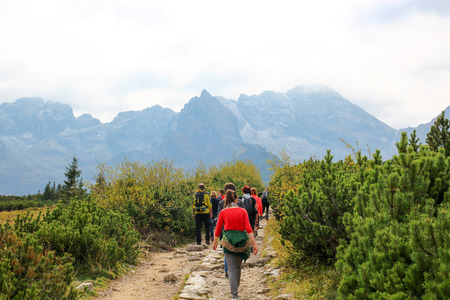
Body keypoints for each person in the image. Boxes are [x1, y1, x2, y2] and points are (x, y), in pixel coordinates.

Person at [213, 189, 258, 299]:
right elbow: (248, 228)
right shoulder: (243, 211)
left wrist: (215, 243)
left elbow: (218, 229)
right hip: (242, 242)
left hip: (228, 242)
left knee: (232, 269)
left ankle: (234, 295)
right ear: (236, 199)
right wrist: (254, 243)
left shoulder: (223, 212)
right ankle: (235, 289)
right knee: (238, 267)